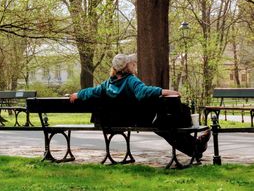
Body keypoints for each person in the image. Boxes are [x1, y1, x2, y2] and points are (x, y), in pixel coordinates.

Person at [70, 53, 211, 159]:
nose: (134, 65)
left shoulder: (108, 84)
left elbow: (92, 92)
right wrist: (165, 91)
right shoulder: (130, 80)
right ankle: (196, 147)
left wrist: (78, 94)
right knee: (165, 126)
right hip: (140, 120)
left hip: (118, 122)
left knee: (164, 127)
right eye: (132, 64)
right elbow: (143, 92)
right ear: (127, 67)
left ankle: (196, 148)